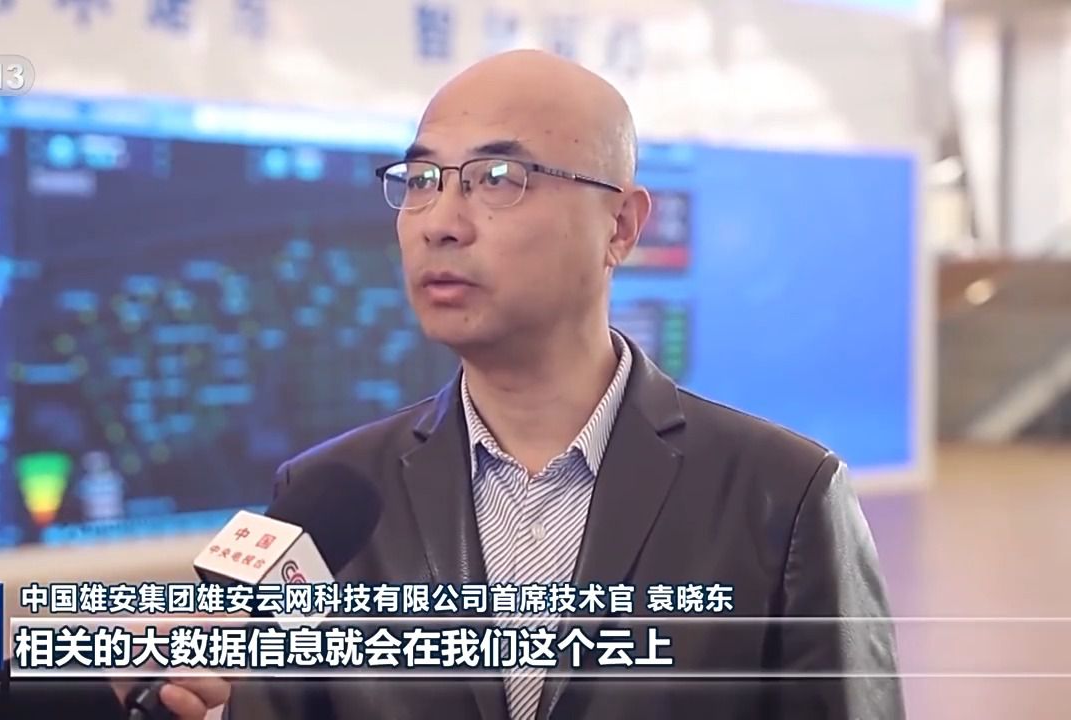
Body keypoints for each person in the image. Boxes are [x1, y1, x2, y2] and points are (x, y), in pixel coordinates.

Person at [224, 48, 904, 719]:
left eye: (497, 178)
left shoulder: (783, 497)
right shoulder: (325, 500)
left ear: (621, 226)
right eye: (423, 180)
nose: (441, 225)